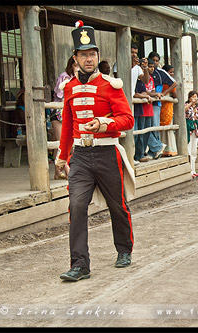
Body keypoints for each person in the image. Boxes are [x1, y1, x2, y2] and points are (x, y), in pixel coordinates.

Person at [55, 21, 135, 281]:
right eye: (83, 55)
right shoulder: (69, 88)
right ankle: (80, 264)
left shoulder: (111, 85)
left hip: (106, 153)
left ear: (97, 56)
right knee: (76, 205)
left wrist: (104, 124)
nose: (88, 59)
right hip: (80, 156)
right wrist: (62, 156)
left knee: (117, 205)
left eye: (92, 54)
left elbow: (127, 119)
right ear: (75, 58)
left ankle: (124, 249)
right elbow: (68, 125)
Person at [146, 51, 177, 159]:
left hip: (156, 103)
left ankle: (155, 149)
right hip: (145, 103)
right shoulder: (144, 71)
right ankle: (156, 148)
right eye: (153, 61)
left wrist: (164, 93)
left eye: (157, 61)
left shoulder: (160, 72)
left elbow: (174, 83)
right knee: (146, 127)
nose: (155, 63)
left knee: (154, 127)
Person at [52, 56, 78, 179]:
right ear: (71, 66)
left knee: (62, 143)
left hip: (71, 112)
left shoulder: (79, 79)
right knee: (62, 142)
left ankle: (57, 172)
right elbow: (59, 94)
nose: (77, 68)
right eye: (75, 66)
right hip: (58, 112)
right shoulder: (65, 77)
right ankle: (68, 171)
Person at [133, 59, 155, 163]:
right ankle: (135, 155)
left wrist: (145, 68)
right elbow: (135, 93)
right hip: (135, 107)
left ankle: (140, 154)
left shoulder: (141, 79)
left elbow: (146, 82)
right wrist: (144, 96)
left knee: (141, 133)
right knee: (135, 133)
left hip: (139, 109)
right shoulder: (132, 78)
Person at [159, 64, 178, 156]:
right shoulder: (169, 83)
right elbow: (175, 95)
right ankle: (169, 149)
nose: (172, 74)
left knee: (159, 129)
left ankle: (161, 149)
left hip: (159, 108)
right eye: (170, 72)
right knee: (168, 128)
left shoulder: (159, 82)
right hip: (167, 108)